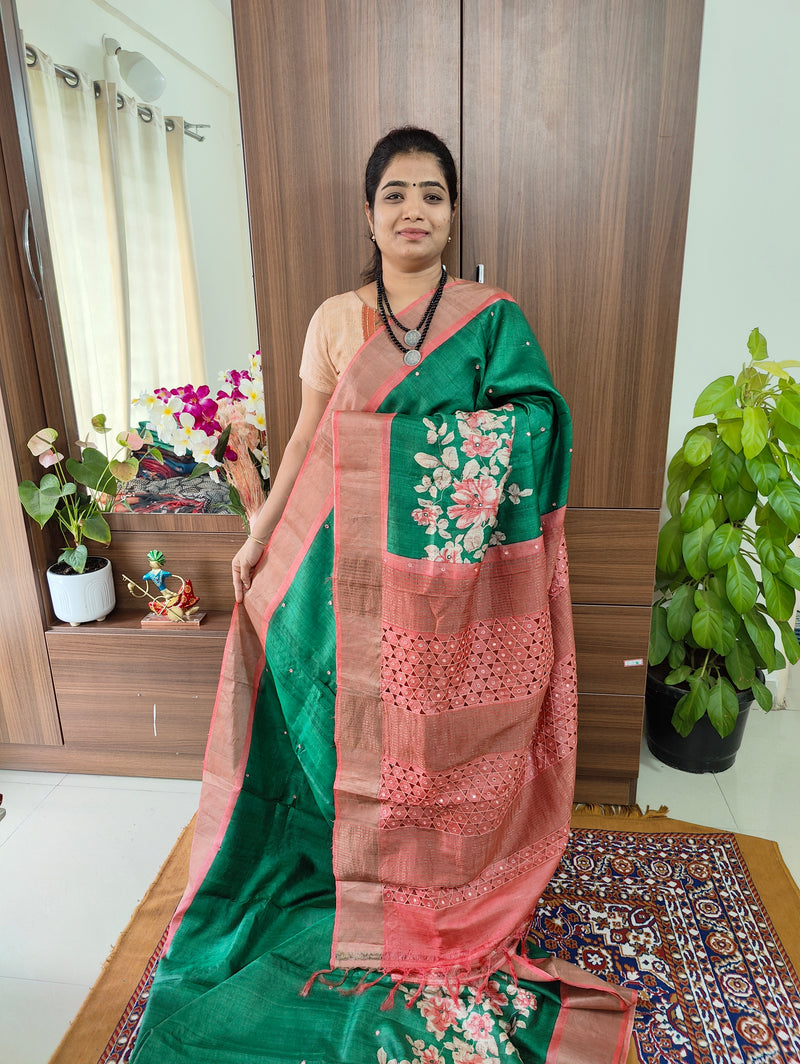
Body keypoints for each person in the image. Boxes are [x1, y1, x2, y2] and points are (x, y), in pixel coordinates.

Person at [131, 128, 636, 1063]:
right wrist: (258, 532)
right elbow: (310, 437)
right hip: (336, 572)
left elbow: (535, 427)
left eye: (433, 195)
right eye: (396, 194)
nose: (414, 210)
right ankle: (344, 880)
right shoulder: (335, 319)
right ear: (369, 214)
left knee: (430, 742)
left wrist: (414, 460)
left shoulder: (491, 319)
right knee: (332, 731)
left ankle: (430, 887)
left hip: (452, 593)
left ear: (452, 214)